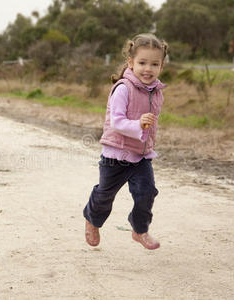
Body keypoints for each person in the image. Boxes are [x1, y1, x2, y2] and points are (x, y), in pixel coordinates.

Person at [83, 33, 168, 250]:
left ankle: (140, 230)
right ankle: (92, 220)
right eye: (142, 63)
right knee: (105, 195)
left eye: (154, 64)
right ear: (130, 63)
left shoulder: (156, 92)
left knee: (147, 193)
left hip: (140, 156)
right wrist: (138, 124)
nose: (147, 69)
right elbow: (116, 122)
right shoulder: (123, 88)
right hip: (116, 156)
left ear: (161, 65)